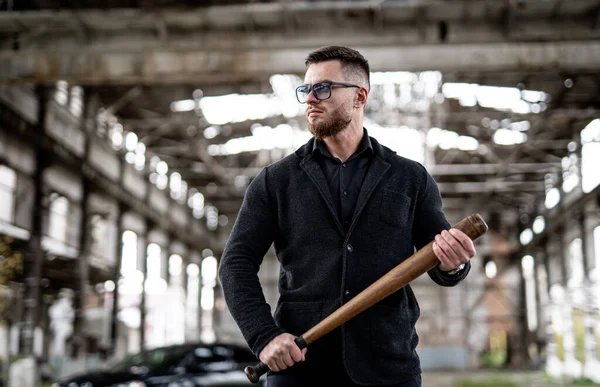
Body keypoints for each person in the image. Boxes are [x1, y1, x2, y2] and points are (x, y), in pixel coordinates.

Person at [218, 46, 476, 387]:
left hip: (388, 367)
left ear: (359, 96)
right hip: (300, 368)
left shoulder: (409, 178)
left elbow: (442, 258)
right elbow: (235, 262)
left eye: (322, 88)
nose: (310, 98)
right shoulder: (276, 180)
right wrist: (263, 335)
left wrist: (454, 263)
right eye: (305, 89)